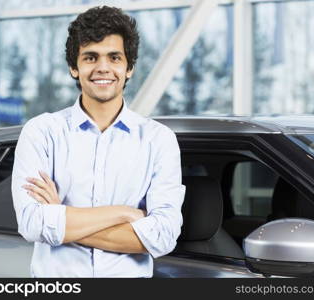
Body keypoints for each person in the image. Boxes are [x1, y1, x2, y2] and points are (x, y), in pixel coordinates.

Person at [11, 6, 185, 278]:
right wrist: (125, 213)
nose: (103, 67)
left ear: (129, 68)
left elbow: (162, 237)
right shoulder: (41, 132)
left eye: (114, 57)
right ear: (73, 67)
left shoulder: (159, 140)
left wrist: (61, 217)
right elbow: (33, 224)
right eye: (91, 57)